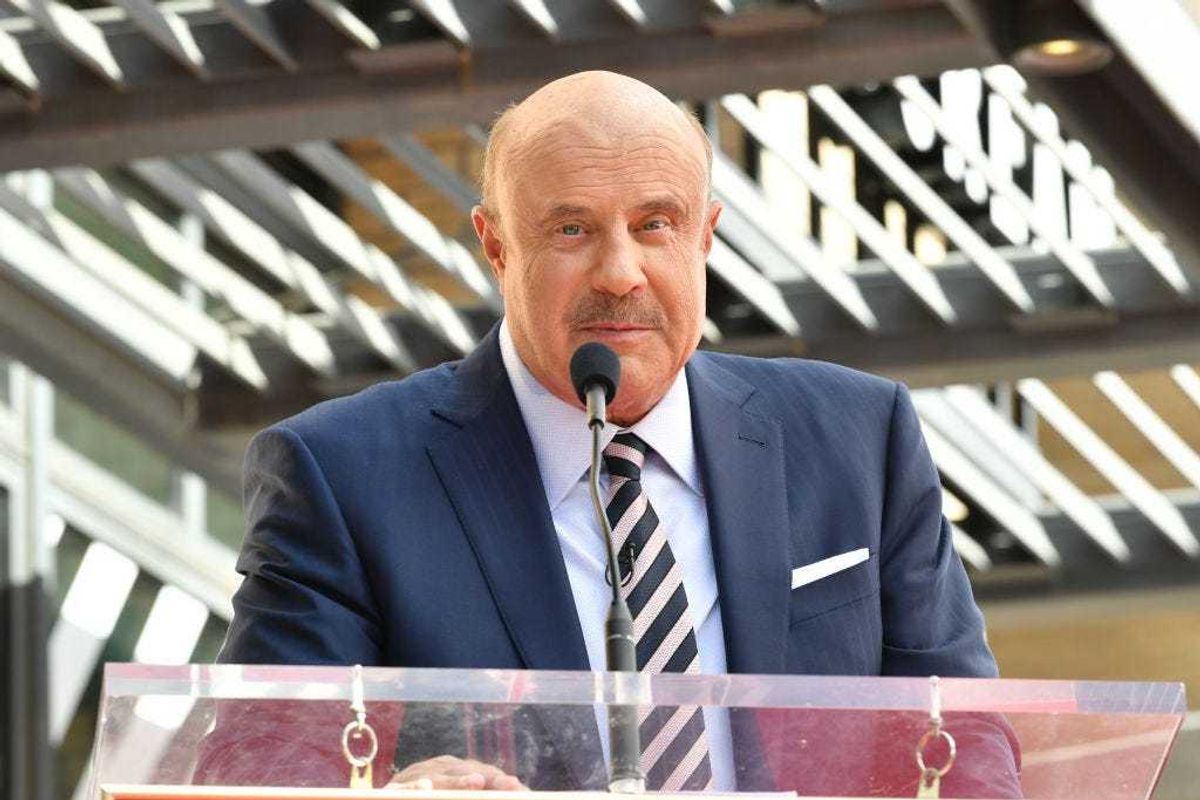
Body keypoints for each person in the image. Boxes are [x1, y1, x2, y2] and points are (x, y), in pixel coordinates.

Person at [216, 71, 1017, 795]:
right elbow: (255, 771)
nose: (620, 272)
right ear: (497, 246)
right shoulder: (342, 474)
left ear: (706, 234)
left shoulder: (857, 439)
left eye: (656, 224)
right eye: (571, 230)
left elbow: (964, 740)